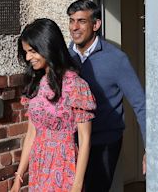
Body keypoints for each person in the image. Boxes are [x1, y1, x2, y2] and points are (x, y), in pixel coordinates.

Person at [67, 0, 146, 192]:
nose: (74, 27)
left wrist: (149, 148)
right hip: (71, 142)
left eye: (81, 21)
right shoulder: (66, 57)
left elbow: (140, 104)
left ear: (96, 24)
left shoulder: (116, 59)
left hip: (104, 143)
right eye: (71, 20)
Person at [10, 18, 96, 192]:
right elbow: (31, 134)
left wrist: (77, 186)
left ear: (47, 47)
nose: (28, 57)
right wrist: (18, 178)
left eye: (32, 51)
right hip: (38, 165)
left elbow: (85, 140)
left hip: (64, 166)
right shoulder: (37, 83)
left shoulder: (76, 86)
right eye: (26, 52)